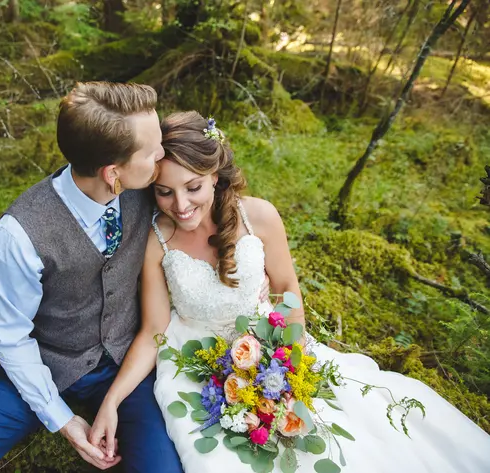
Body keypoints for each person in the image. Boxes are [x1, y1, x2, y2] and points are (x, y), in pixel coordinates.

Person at [89, 110, 490, 472]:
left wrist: (285, 364)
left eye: (193, 187)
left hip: (275, 349)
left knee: (341, 440)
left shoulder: (258, 216)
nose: (181, 204)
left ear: (215, 174)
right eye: (165, 192)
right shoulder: (157, 238)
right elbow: (154, 332)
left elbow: (285, 289)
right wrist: (112, 402)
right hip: (197, 367)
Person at [0, 82, 184, 473]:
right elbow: (9, 335)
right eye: (152, 150)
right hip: (49, 364)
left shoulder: (147, 189)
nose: (162, 155)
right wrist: (61, 419)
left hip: (129, 363)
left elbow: (205, 200)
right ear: (114, 173)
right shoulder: (20, 234)